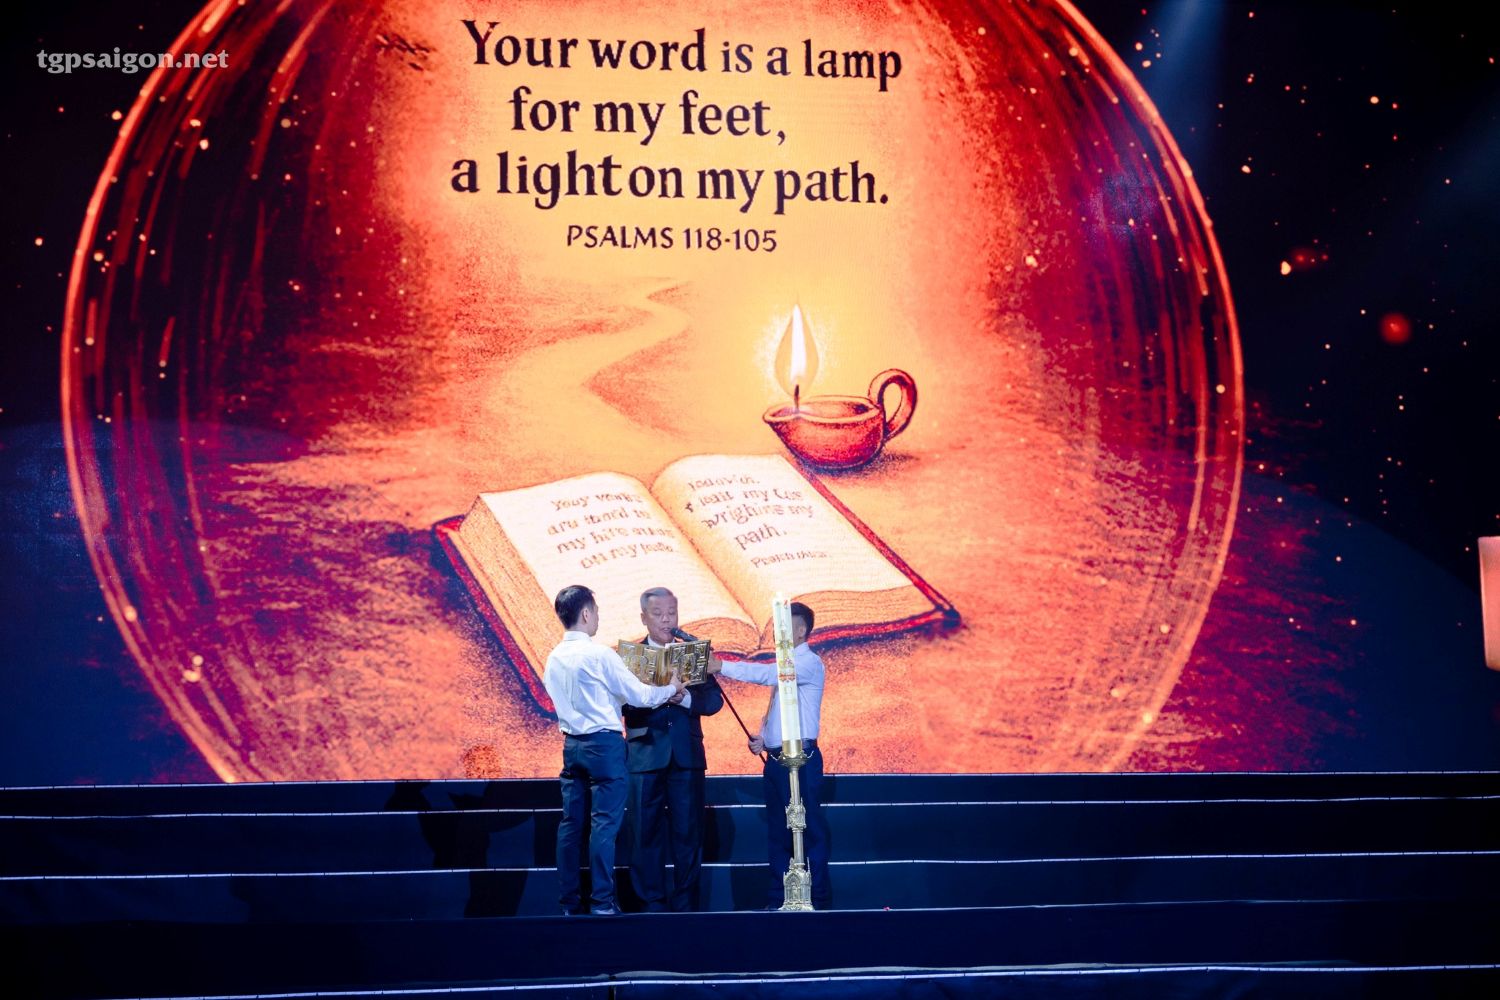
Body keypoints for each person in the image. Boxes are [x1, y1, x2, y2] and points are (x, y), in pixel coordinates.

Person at [543, 584, 685, 916]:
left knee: (570, 825)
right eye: (596, 612)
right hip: (604, 747)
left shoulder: (553, 657)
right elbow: (641, 697)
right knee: (604, 825)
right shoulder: (600, 655)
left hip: (572, 746)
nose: (597, 618)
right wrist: (671, 687)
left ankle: (569, 903)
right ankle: (602, 902)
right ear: (586, 614)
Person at [707, 601, 830, 910]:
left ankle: (817, 899)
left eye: (784, 627)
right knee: (778, 832)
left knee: (808, 829)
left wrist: (721, 666)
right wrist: (765, 739)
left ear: (800, 630)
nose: (777, 634)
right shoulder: (787, 665)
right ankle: (779, 899)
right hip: (776, 762)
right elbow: (780, 708)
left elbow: (767, 676)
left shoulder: (808, 663)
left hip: (801, 760)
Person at [623, 586, 725, 911]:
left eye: (671, 613)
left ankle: (685, 905)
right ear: (644, 618)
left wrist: (686, 699)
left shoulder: (691, 654)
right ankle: (651, 902)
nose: (666, 620)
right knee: (644, 832)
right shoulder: (630, 658)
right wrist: (655, 694)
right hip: (645, 754)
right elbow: (622, 704)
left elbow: (714, 701)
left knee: (689, 832)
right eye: (658, 614)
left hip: (686, 755)